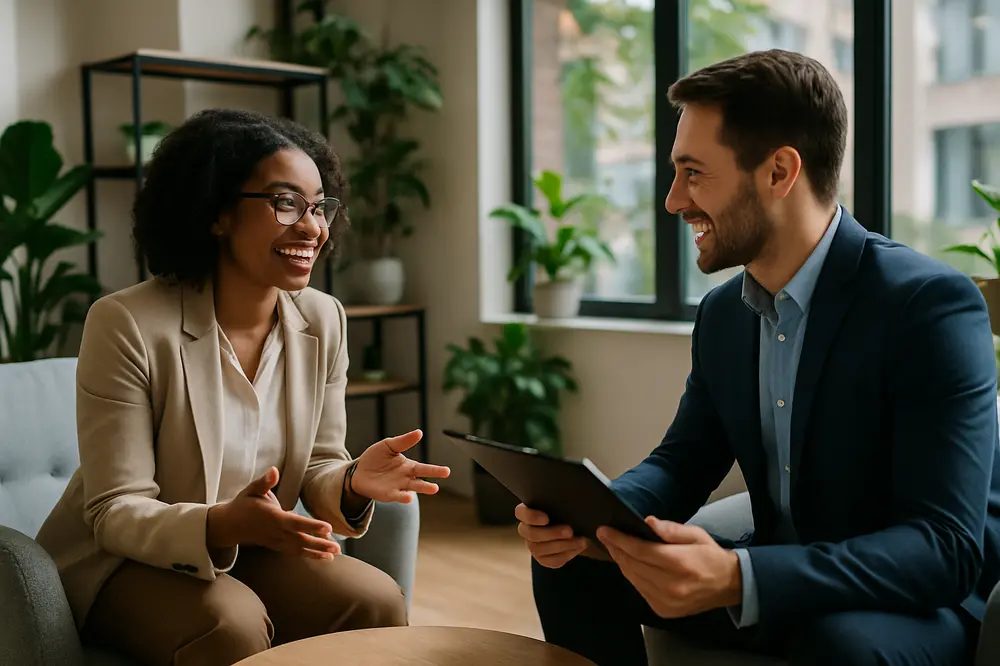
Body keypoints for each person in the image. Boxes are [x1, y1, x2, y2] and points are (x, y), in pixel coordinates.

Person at [518, 49, 1000, 665]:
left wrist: (739, 577)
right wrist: (595, 516)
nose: (672, 201)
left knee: (837, 646)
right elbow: (682, 461)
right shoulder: (725, 316)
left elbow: (943, 549)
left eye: (694, 173)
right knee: (572, 569)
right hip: (775, 585)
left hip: (913, 605)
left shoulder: (927, 306)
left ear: (779, 172)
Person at [36, 108, 450, 666]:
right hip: (122, 561)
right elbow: (115, 509)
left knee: (373, 600)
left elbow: (321, 465)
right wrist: (220, 522)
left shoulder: (323, 318)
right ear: (217, 214)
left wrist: (352, 482)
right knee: (228, 626)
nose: (312, 227)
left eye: (319, 206)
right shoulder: (127, 323)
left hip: (251, 546)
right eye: (285, 203)